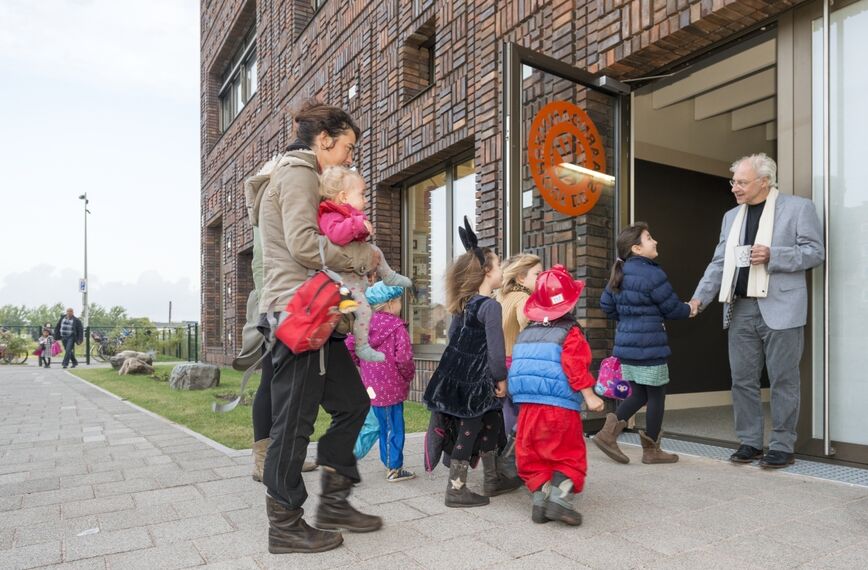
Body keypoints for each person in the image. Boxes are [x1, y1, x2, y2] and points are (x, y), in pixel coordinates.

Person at [250, 100, 382, 554]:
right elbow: (304, 244)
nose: (349, 157)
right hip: (300, 315)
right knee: (294, 423)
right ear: (324, 139)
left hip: (315, 315)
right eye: (347, 147)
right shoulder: (298, 171)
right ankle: (285, 523)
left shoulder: (296, 173)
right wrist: (362, 258)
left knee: (351, 405)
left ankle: (336, 503)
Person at [688, 153, 824, 469]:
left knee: (783, 380)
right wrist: (698, 300)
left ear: (764, 182)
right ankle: (749, 442)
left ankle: (781, 445)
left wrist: (774, 255)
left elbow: (815, 252)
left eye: (742, 182)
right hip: (741, 307)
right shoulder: (730, 217)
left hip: (782, 308)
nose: (734, 187)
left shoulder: (798, 208)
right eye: (733, 181)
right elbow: (720, 264)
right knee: (742, 379)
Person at [422, 217, 521, 507]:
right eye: (499, 265)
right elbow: (495, 348)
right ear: (487, 272)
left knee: (492, 421)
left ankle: (493, 478)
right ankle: (456, 488)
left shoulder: (464, 304)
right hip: (476, 380)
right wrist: (500, 378)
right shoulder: (491, 306)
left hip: (455, 374)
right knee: (470, 426)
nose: (502, 269)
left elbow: (454, 338)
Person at [509, 265, 605, 525]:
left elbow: (516, 366)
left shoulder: (526, 332)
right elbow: (575, 366)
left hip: (527, 409)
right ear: (570, 303)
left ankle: (540, 504)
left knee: (534, 456)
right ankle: (560, 502)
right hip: (559, 408)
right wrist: (590, 396)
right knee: (568, 453)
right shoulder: (570, 332)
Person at [593, 223, 692, 465]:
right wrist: (690, 308)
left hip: (627, 345)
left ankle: (608, 433)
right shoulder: (652, 273)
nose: (655, 241)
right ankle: (651, 450)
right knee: (656, 395)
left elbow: (606, 305)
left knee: (638, 393)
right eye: (649, 238)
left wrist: (629, 320)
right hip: (650, 345)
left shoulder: (620, 272)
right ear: (637, 248)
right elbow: (672, 308)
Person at [318, 166, 412, 362]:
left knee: (375, 251)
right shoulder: (330, 215)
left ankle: (388, 276)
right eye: (362, 194)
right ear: (343, 197)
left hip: (354, 275)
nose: (366, 199)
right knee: (364, 310)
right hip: (344, 281)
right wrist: (358, 225)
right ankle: (362, 346)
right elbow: (336, 235)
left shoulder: (347, 215)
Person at [346, 282, 416, 482]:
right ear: (390, 303)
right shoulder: (397, 328)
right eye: (399, 301)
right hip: (392, 387)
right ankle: (393, 467)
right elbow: (404, 358)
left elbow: (349, 347)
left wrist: (362, 362)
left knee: (373, 423)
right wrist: (407, 376)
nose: (400, 305)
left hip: (371, 386)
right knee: (393, 427)